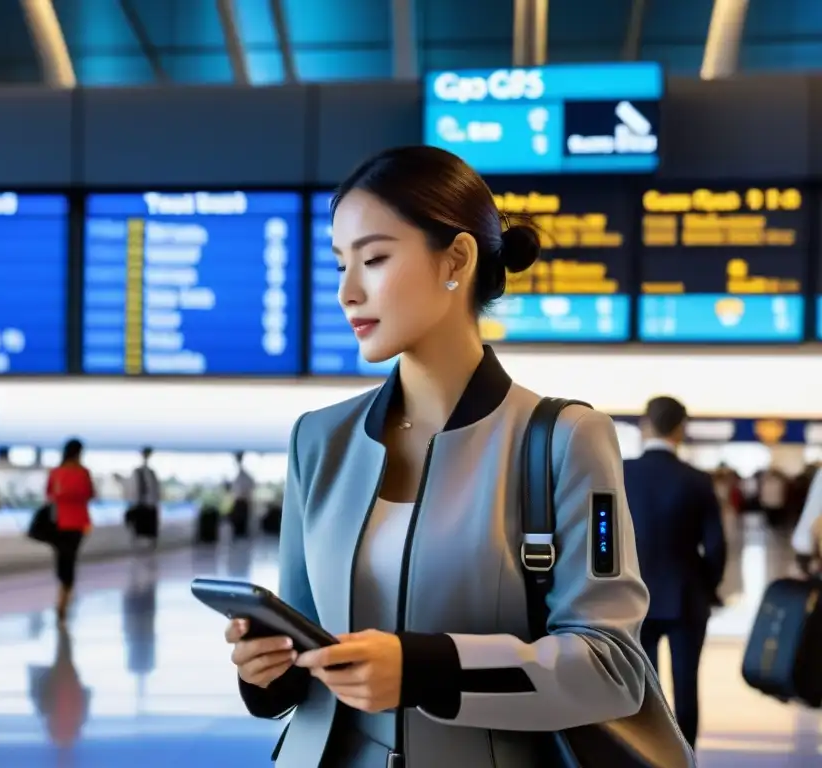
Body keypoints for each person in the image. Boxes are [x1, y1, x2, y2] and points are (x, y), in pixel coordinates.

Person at [224, 146, 651, 767]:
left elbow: (611, 668)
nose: (347, 291)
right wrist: (269, 671)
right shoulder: (318, 440)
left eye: (374, 258)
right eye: (341, 264)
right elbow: (306, 634)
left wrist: (427, 668)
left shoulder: (564, 440)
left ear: (456, 259)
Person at [623, 396, 725, 749]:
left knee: (643, 687)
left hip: (634, 597)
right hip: (687, 596)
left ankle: (649, 753)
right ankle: (685, 755)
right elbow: (715, 546)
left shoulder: (621, 472)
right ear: (681, 429)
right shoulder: (696, 479)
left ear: (644, 425)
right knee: (686, 684)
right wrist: (707, 587)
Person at [46, 438, 94, 623]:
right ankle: (64, 597)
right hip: (78, 523)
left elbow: (49, 494)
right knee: (70, 560)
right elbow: (90, 494)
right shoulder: (83, 473)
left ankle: (63, 596)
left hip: (59, 523)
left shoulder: (57, 473)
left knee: (63, 559)